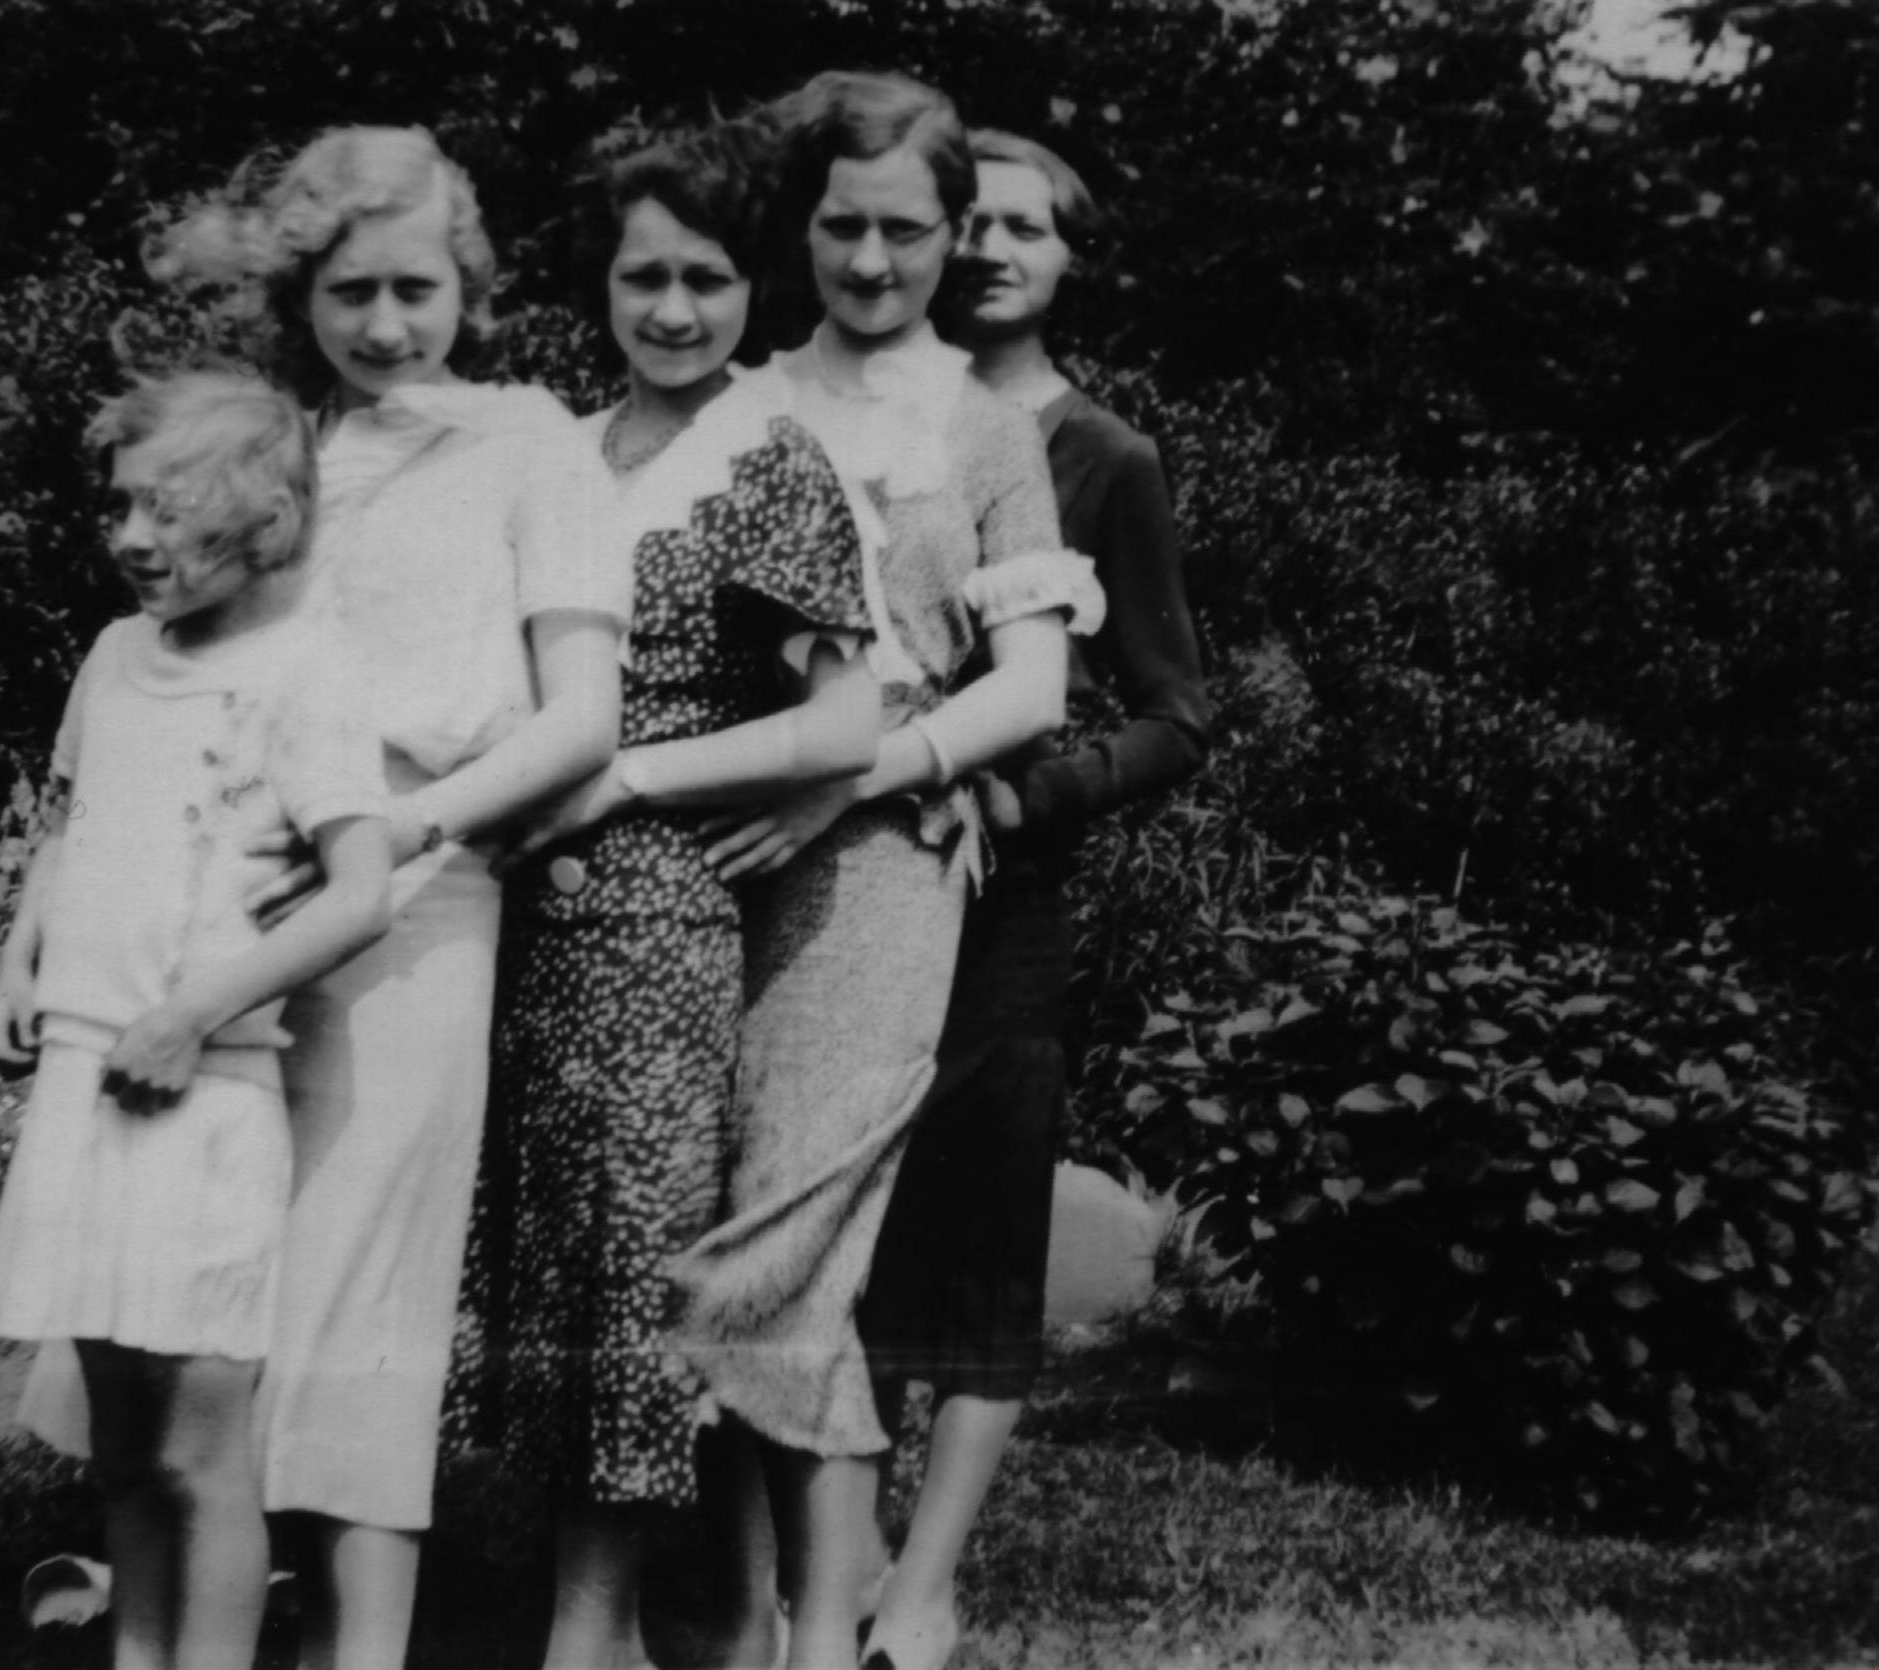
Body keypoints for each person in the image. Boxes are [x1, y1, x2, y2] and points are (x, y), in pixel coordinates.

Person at [37, 127, 631, 1670]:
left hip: (416, 900)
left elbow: (581, 718)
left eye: (415, 289)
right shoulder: (278, 448)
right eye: (351, 291)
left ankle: (359, 1645)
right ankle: (188, 1604)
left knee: (368, 1287)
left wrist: (411, 824)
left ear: (470, 287)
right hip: (226, 910)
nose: (384, 323)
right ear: (302, 292)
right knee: (198, 1269)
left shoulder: (529, 442)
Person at [663, 72, 1101, 1670]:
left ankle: (813, 1631)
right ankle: (739, 1617)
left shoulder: (986, 431)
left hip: (874, 875)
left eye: (905, 230)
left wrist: (854, 772)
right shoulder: (735, 397)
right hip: (693, 855)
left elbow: (1031, 688)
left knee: (789, 1247)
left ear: (953, 232)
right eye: (841, 225)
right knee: (709, 1218)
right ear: (801, 227)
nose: (868, 261)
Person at [448, 120, 881, 1670]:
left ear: (755, 286)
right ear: (602, 284)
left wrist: (632, 775)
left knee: (632, 1262)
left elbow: (846, 723)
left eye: (708, 276)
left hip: (654, 917)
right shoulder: (557, 450)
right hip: (511, 909)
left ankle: (595, 1625)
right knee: (546, 1250)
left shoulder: (769, 457)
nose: (677, 309)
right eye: (645, 277)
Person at [852, 126, 1211, 1670]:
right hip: (837, 875)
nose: (993, 250)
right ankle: (837, 1549)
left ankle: (923, 1582)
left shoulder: (1103, 455)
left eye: (1028, 228)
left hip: (1000, 895)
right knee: (837, 1210)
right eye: (972, 221)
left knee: (983, 1221)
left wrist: (1029, 793)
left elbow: (1176, 713)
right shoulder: (850, 412)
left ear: (1070, 259)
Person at [0, 369, 398, 1670]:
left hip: (205, 1097)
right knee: (119, 1450)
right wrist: (20, 956)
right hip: (84, 1082)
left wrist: (196, 1011)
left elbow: (362, 891)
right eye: (119, 507)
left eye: (168, 511)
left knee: (198, 1453)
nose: (131, 537)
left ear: (265, 517)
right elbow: (69, 819)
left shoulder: (307, 668)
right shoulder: (115, 656)